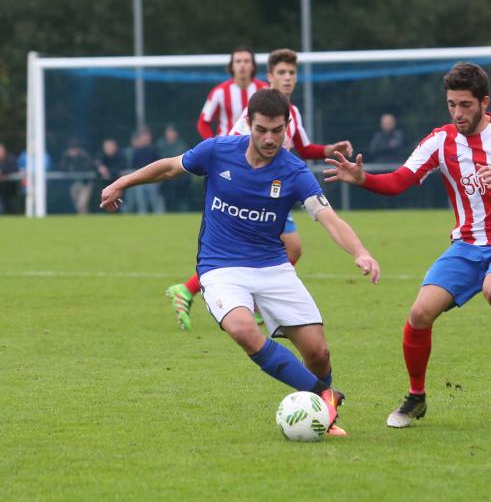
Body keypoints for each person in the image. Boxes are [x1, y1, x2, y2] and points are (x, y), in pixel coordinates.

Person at [100, 88, 380, 437]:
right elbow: (170, 168)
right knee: (243, 330)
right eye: (261, 129)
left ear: (286, 126)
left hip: (273, 267)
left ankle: (322, 409)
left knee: (319, 353)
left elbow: (327, 217)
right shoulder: (218, 151)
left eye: (277, 130)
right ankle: (324, 400)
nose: (268, 137)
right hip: (221, 267)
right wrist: (122, 183)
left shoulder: (293, 171)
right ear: (248, 123)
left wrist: (360, 252)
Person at [325, 62, 491, 427]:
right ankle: (416, 398)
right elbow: (400, 181)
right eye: (452, 104)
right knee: (419, 314)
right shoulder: (441, 141)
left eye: (465, 104)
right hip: (466, 244)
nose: (457, 113)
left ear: (484, 102)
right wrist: (363, 179)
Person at [165, 48, 353, 329]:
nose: (288, 78)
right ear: (269, 76)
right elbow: (239, 148)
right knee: (278, 248)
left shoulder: (292, 113)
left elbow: (301, 147)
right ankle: (229, 296)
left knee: (293, 248)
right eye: (282, 73)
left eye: (292, 73)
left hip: (277, 188)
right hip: (254, 191)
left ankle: (219, 294)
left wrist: (329, 148)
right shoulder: (256, 112)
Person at [196, 46, 268, 139]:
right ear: (232, 66)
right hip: (227, 147)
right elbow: (203, 123)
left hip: (257, 147)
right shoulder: (219, 92)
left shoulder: (265, 90)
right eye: (238, 61)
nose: (242, 65)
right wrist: (214, 144)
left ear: (253, 65)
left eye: (246, 61)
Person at [128, 127, 164, 214]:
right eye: (143, 136)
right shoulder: (136, 151)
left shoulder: (155, 150)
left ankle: (159, 217)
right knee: (141, 203)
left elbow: (160, 164)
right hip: (140, 180)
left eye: (146, 136)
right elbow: (134, 166)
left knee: (155, 201)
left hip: (153, 180)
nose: (145, 138)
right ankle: (143, 217)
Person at [157, 125, 192, 211]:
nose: (170, 134)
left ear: (176, 134)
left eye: (172, 132)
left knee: (182, 202)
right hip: (166, 180)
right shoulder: (160, 145)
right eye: (168, 132)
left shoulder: (182, 145)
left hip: (180, 180)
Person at [59, 138, 95, 214]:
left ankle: (85, 220)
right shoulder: (66, 157)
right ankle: (82, 220)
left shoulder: (84, 156)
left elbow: (87, 168)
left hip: (86, 184)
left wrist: (74, 167)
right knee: (77, 205)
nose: (72, 152)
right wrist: (67, 159)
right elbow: (62, 168)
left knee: (81, 204)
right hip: (75, 184)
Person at [0, 143, 20, 214]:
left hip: (11, 189)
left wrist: (4, 173)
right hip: (1, 190)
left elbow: (15, 169)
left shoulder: (11, 158)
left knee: (12, 207)